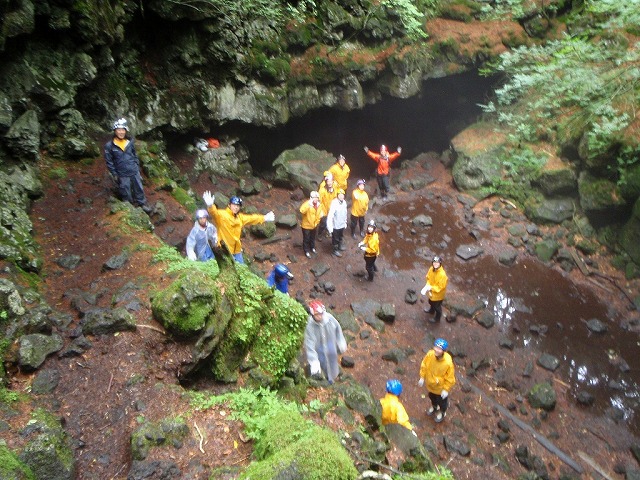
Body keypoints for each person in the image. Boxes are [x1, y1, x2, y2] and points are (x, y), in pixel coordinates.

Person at [202, 190, 275, 263]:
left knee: (241, 269)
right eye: (234, 205)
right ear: (229, 205)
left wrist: (264, 218)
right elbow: (214, 213)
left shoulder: (240, 218)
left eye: (238, 206)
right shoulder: (222, 215)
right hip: (224, 249)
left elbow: (252, 218)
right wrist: (210, 206)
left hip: (236, 250)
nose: (236, 207)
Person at [104, 118, 152, 213]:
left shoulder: (129, 143)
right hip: (122, 173)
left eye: (123, 130)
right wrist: (114, 174)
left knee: (138, 188)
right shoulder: (109, 146)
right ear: (115, 131)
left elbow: (134, 155)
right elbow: (109, 161)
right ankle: (129, 209)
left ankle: (142, 204)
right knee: (125, 191)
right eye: (119, 130)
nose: (121, 132)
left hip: (133, 170)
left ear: (126, 131)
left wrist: (136, 166)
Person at [304, 300, 347, 384]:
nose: (319, 316)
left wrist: (341, 342)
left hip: (330, 344)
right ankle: (328, 378)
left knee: (333, 360)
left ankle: (334, 376)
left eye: (320, 314)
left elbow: (338, 330)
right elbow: (309, 344)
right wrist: (313, 361)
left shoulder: (329, 319)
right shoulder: (309, 326)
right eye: (317, 315)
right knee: (323, 363)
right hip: (319, 348)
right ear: (312, 315)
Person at [418, 338, 456, 423]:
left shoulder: (447, 363)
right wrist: (422, 377)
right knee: (432, 397)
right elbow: (424, 365)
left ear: (443, 351)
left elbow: (450, 377)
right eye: (435, 347)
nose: (436, 350)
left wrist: (446, 389)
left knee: (442, 402)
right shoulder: (430, 355)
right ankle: (434, 407)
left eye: (439, 349)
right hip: (431, 384)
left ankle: (442, 412)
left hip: (440, 388)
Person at [420, 255, 448, 323]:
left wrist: (431, 287)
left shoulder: (442, 275)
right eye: (434, 262)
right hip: (431, 292)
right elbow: (428, 277)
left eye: (437, 263)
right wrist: (427, 285)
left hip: (438, 294)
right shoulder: (431, 269)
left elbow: (441, 287)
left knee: (437, 307)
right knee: (431, 301)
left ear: (440, 263)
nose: (435, 264)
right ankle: (431, 311)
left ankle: (437, 319)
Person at [299, 190, 325, 258]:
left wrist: (317, 222)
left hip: (314, 225)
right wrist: (308, 205)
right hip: (306, 226)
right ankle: (306, 250)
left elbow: (319, 214)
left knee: (312, 238)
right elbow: (301, 210)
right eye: (314, 197)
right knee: (306, 239)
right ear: (311, 198)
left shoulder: (319, 205)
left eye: (316, 197)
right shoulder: (307, 204)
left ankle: (312, 248)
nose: (315, 199)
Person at [326, 188, 348, 257]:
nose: (341, 196)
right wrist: (330, 227)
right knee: (335, 238)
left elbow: (345, 213)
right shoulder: (334, 203)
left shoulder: (344, 202)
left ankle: (340, 246)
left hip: (341, 224)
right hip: (335, 225)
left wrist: (345, 222)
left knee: (340, 236)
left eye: (342, 195)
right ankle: (334, 250)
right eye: (340, 195)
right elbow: (330, 215)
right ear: (337, 195)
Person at [318, 171, 337, 239]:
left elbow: (335, 197)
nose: (329, 183)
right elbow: (319, 200)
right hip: (324, 209)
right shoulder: (322, 190)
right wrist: (321, 210)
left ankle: (327, 232)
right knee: (323, 223)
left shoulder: (334, 187)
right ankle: (319, 234)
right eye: (328, 181)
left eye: (331, 181)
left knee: (330, 221)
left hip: (331, 208)